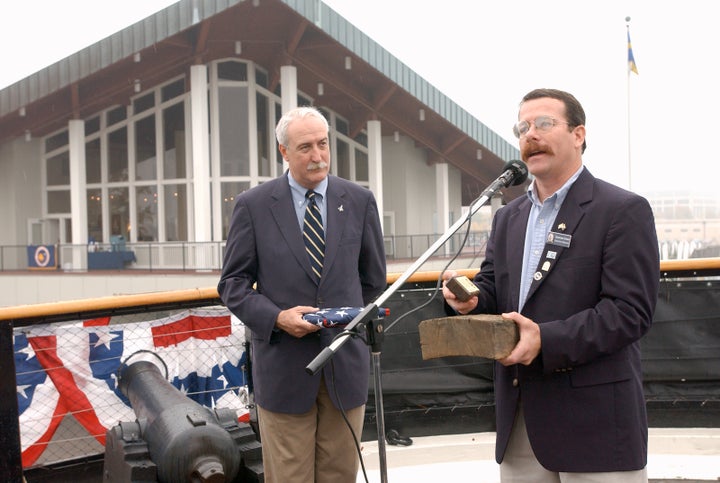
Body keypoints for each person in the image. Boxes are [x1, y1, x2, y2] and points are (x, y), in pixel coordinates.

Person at [442, 88, 659, 482]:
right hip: (520, 416)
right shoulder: (508, 217)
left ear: (579, 135)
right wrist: (470, 301)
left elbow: (630, 313)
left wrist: (545, 339)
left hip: (595, 424)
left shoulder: (622, 210)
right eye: (522, 127)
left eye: (544, 123)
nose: (531, 134)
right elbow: (494, 288)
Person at [217, 106, 386, 483]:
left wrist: (350, 329)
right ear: (284, 152)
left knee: (340, 475)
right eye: (306, 147)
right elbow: (232, 284)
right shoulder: (254, 206)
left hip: (345, 367)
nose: (317, 156)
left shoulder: (359, 201)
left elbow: (373, 282)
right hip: (284, 369)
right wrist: (277, 318)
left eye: (323, 144)